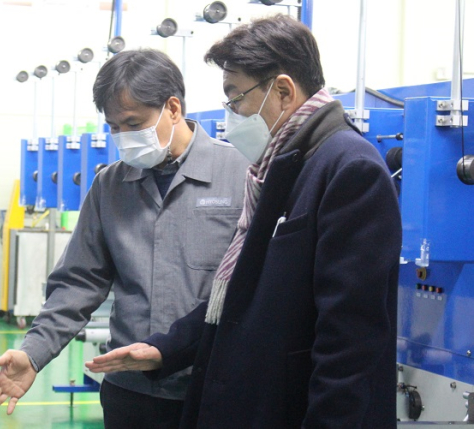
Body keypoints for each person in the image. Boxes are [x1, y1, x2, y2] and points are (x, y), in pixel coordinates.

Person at [86, 15, 402, 429]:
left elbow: (350, 342)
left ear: (283, 91)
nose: (232, 113)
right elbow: (241, 293)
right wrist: (167, 349)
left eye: (236, 98)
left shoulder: (348, 168)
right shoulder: (283, 166)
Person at [0, 49, 249, 428]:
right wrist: (34, 351)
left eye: (133, 123)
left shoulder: (242, 173)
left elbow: (254, 287)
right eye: (114, 127)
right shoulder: (110, 185)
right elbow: (79, 281)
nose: (123, 137)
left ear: (172, 108)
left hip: (215, 389)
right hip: (130, 391)